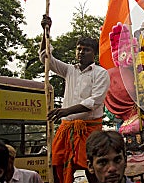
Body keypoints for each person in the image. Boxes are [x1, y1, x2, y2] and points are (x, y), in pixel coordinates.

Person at [39, 15, 110, 183]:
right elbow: (45, 58)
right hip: (67, 129)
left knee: (91, 169)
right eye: (79, 49)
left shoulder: (101, 73)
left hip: (89, 131)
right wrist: (45, 31)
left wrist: (66, 111)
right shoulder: (69, 70)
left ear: (94, 53)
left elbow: (94, 102)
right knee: (58, 164)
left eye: (86, 49)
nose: (81, 52)